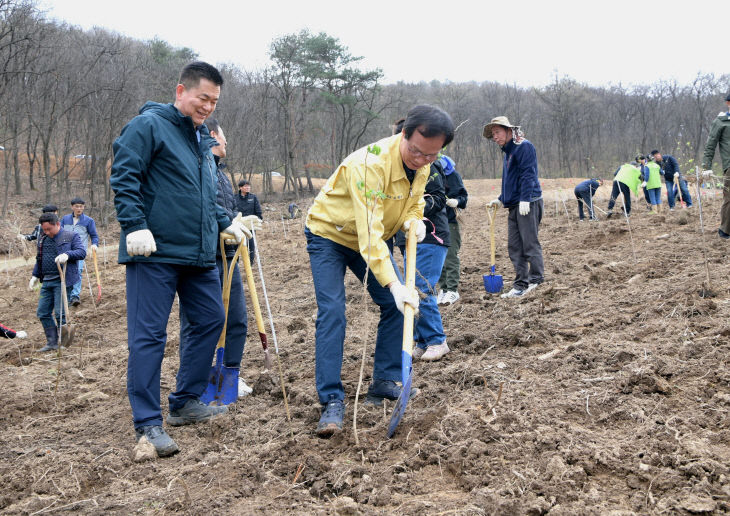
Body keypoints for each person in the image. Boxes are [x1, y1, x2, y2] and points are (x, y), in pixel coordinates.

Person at [110, 61, 249, 457]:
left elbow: (205, 192)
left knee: (210, 319)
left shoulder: (202, 137)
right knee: (149, 335)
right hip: (154, 251)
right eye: (202, 97)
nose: (207, 106)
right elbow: (124, 176)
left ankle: (185, 401)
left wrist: (225, 222)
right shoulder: (148, 127)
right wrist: (134, 224)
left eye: (214, 101)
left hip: (199, 253)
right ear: (181, 91)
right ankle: (147, 423)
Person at [305, 104, 454, 436]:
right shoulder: (370, 163)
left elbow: (414, 201)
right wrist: (393, 283)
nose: (421, 159)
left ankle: (385, 380)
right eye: (416, 150)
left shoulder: (425, 164)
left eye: (430, 155)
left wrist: (414, 219)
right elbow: (369, 234)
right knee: (333, 311)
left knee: (397, 308)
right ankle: (331, 399)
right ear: (403, 134)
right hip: (330, 234)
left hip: (374, 236)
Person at [179, 118, 257, 398]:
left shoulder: (222, 174)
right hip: (201, 259)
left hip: (229, 256)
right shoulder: (197, 167)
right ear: (213, 136)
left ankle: (228, 377)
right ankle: (193, 382)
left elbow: (224, 209)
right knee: (199, 323)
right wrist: (224, 223)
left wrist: (239, 221)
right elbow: (202, 206)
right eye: (224, 138)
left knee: (236, 319)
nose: (227, 144)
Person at [392, 119, 451, 361]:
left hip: (430, 236)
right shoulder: (394, 170)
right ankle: (422, 339)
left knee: (421, 287)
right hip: (407, 239)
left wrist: (415, 213)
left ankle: (437, 340)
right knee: (411, 289)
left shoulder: (428, 167)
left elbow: (438, 197)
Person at [484, 116, 544, 299]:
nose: (495, 137)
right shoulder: (508, 152)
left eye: (497, 132)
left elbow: (528, 174)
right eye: (493, 134)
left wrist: (526, 198)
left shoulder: (523, 147)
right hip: (513, 204)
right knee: (515, 245)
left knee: (529, 243)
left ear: (509, 131)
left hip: (528, 202)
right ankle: (520, 284)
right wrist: (501, 199)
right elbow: (511, 181)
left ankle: (536, 280)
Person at [28, 213, 85, 352]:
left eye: (49, 229)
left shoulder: (70, 236)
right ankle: (52, 342)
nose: (46, 232)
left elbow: (81, 252)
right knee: (42, 312)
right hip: (47, 281)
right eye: (44, 229)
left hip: (63, 280)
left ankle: (64, 343)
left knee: (60, 313)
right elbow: (39, 259)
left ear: (57, 224)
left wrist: (68, 255)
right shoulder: (43, 239)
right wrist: (35, 275)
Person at [437, 155, 468, 306]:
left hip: (449, 221)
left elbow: (464, 197)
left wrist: (457, 201)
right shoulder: (429, 174)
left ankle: (452, 290)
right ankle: (443, 289)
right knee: (437, 257)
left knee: (450, 256)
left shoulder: (453, 176)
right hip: (434, 222)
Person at [701, 92, 730, 239]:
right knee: (729, 198)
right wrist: (706, 167)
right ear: (728, 103)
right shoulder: (721, 122)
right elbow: (710, 145)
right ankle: (725, 231)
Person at [60, 197, 99, 306]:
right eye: (76, 206)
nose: (79, 208)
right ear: (72, 207)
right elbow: (59, 233)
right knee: (66, 272)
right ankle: (67, 296)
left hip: (79, 251)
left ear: (84, 207)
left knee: (78, 271)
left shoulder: (89, 221)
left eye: (81, 206)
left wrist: (94, 244)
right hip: (65, 250)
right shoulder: (64, 219)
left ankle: (75, 296)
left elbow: (94, 235)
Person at [236, 180, 263, 263]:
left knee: (251, 243)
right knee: (237, 243)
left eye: (248, 186)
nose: (248, 188)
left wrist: (259, 218)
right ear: (240, 188)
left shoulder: (253, 197)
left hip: (250, 224)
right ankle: (236, 261)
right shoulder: (235, 198)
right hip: (239, 224)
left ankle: (250, 262)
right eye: (245, 186)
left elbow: (258, 209)